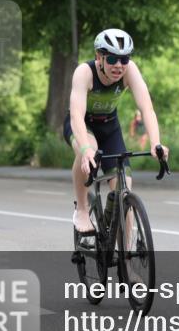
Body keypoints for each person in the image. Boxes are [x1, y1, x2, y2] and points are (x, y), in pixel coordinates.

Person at [66, 28, 169, 237]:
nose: (119, 65)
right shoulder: (84, 73)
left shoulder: (130, 71)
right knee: (89, 150)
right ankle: (82, 209)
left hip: (109, 127)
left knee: (124, 191)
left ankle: (125, 253)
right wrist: (85, 149)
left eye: (124, 59)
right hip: (82, 124)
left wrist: (155, 143)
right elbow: (76, 115)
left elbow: (147, 108)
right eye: (112, 59)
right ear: (99, 57)